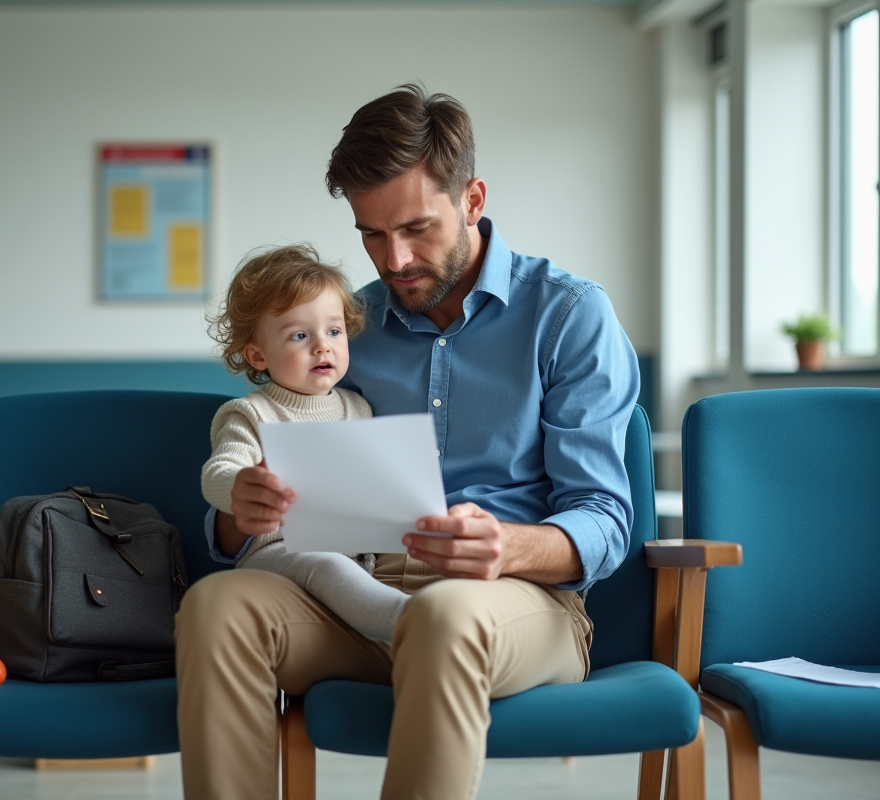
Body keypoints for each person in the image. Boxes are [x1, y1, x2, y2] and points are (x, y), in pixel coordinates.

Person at [176, 84, 640, 800]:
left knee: (444, 614)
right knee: (217, 608)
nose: (393, 260)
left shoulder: (570, 315)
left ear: (474, 200)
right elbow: (258, 506)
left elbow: (605, 518)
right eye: (370, 233)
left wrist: (508, 546)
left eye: (417, 228)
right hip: (355, 594)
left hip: (513, 604)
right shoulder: (346, 326)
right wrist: (246, 507)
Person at [201, 244, 411, 643]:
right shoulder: (250, 414)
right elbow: (218, 472)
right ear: (257, 355)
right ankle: (411, 622)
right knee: (327, 565)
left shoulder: (359, 408)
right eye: (300, 335)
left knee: (356, 566)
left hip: (353, 556)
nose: (322, 345)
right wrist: (242, 486)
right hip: (279, 553)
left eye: (334, 331)